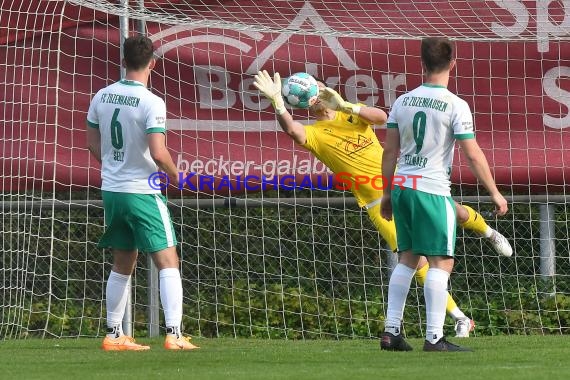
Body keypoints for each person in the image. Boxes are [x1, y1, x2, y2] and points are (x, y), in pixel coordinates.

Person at [253, 69, 512, 339]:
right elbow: (294, 131)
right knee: (417, 261)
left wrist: (345, 104)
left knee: (456, 212)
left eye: (318, 85)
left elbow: (382, 118)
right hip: (378, 202)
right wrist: (278, 103)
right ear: (305, 102)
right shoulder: (315, 133)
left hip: (404, 184)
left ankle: (488, 232)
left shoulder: (351, 114)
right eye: (311, 90)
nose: (317, 92)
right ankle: (460, 318)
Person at [379, 37, 508, 352]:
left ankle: (391, 332)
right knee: (440, 262)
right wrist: (494, 192)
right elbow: (473, 154)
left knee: (407, 258)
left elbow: (390, 152)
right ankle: (434, 337)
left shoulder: (402, 101)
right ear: (453, 63)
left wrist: (387, 194)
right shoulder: (455, 104)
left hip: (403, 188)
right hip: (432, 191)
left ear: (421, 64)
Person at [86, 35, 198, 351]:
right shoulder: (152, 102)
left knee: (123, 260)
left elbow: (92, 143)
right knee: (168, 259)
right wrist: (179, 176)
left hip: (112, 190)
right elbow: (159, 153)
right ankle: (174, 335)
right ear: (152, 63)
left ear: (123, 61)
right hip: (142, 191)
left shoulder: (102, 96)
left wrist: (113, 166)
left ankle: (113, 334)